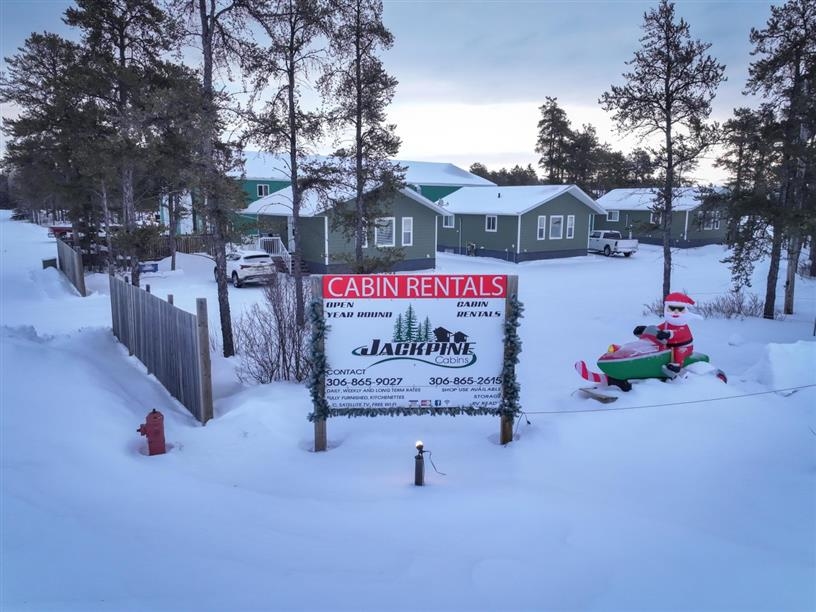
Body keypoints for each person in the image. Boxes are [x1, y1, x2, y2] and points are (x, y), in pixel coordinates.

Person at [633, 292, 699, 378]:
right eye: (671, 308)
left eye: (680, 309)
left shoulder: (683, 327)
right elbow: (658, 329)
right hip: (668, 346)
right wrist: (646, 330)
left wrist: (668, 334)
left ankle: (677, 366)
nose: (675, 312)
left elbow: (677, 333)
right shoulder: (667, 324)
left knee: (679, 352)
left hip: (684, 347)